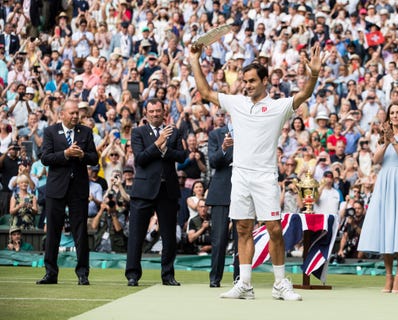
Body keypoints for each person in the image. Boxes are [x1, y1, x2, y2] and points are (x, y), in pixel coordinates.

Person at [189, 42, 322, 301]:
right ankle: (245, 284)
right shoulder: (237, 102)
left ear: (264, 81)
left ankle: (280, 283)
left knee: (273, 228)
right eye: (244, 81)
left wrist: (314, 73)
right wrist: (194, 59)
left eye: (251, 81)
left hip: (265, 177)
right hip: (239, 175)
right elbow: (204, 91)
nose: (247, 85)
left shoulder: (279, 106)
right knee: (242, 229)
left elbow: (304, 94)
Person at [125, 98, 188, 287]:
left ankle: (168, 275)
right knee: (136, 234)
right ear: (146, 112)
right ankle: (133, 275)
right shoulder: (138, 132)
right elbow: (141, 159)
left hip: (167, 189)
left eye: (158, 111)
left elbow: (181, 156)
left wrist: (164, 148)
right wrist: (158, 143)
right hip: (143, 190)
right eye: (151, 111)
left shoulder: (174, 131)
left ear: (164, 111)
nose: (155, 114)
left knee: (169, 235)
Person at [357, 101, 398, 294]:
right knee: (385, 229)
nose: (394, 116)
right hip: (384, 181)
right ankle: (388, 277)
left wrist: (392, 139)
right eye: (391, 113)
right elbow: (376, 160)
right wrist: (385, 139)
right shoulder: (383, 136)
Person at [37, 99, 99, 285]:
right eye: (71, 113)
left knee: (80, 232)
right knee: (53, 232)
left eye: (76, 113)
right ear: (61, 114)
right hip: (56, 188)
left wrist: (82, 155)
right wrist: (65, 154)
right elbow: (45, 158)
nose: (75, 116)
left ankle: (82, 274)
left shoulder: (86, 132)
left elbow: (95, 158)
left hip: (78, 189)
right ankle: (50, 273)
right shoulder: (50, 132)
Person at [206, 119, 237, 288]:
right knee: (219, 239)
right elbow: (213, 161)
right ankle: (215, 278)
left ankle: (240, 279)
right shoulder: (215, 134)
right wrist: (224, 148)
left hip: (243, 190)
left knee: (242, 239)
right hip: (220, 191)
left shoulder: (249, 131)